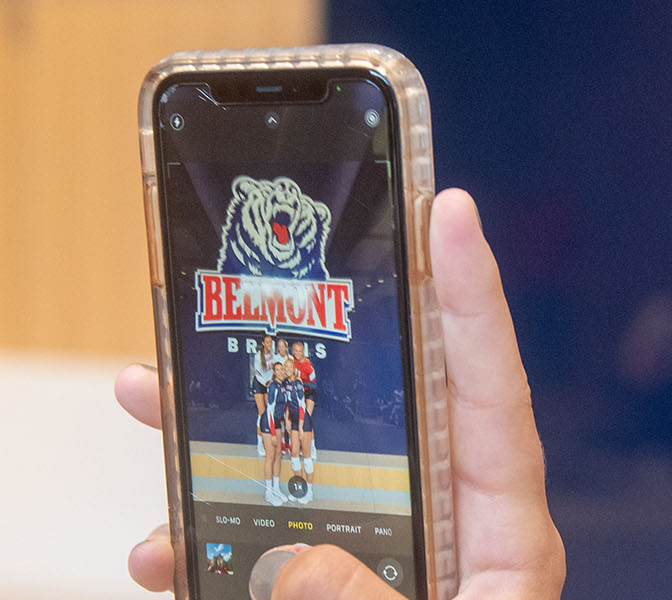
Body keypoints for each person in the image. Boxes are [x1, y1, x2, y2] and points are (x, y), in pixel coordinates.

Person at [117, 189, 566, 598]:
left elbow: (309, 390)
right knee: (267, 451)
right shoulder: (268, 363)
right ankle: (276, 485)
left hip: (301, 415)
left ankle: (294, 474)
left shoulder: (308, 365)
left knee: (298, 445)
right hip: (276, 413)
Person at [290, 341, 317, 503]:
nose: (297, 353)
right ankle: (298, 488)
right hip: (296, 398)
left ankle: (311, 447)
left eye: (300, 351)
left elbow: (314, 385)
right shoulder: (291, 362)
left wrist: (301, 382)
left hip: (309, 395)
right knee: (294, 454)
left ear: (303, 351)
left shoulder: (308, 365)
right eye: (295, 351)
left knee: (306, 420)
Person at [263, 362, 289, 507]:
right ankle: (268, 493)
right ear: (274, 372)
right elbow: (269, 411)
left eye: (281, 370)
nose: (279, 372)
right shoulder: (273, 386)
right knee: (270, 456)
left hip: (278, 422)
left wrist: (287, 424)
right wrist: (272, 433)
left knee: (279, 454)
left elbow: (283, 407)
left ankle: (276, 488)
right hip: (268, 423)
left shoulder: (283, 386)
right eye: (277, 370)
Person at [252, 334, 275, 457]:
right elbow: (257, 372)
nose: (269, 344)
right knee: (261, 413)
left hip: (268, 384)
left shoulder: (274, 356)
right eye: (267, 342)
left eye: (271, 342)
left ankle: (268, 441)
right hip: (259, 384)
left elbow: (275, 370)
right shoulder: (257, 356)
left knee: (269, 411)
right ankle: (260, 443)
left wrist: (271, 381)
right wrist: (265, 383)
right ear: (263, 343)